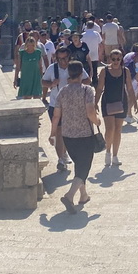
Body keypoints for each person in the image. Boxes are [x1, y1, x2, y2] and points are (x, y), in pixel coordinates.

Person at [50, 60, 102, 213]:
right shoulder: (87, 90)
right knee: (84, 167)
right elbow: (90, 112)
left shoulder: (63, 91)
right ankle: (69, 195)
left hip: (67, 136)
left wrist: (53, 133)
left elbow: (56, 115)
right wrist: (97, 120)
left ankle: (83, 195)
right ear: (81, 74)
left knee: (79, 165)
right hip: (84, 135)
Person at [43, 47, 89, 172]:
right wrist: (51, 84)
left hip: (72, 105)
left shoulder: (75, 67)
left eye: (65, 58)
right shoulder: (52, 68)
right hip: (55, 104)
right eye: (59, 59)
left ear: (69, 57)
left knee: (67, 132)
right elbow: (43, 82)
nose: (63, 61)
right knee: (59, 132)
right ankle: (61, 159)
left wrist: (75, 82)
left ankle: (65, 153)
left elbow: (87, 80)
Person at [97, 49, 137, 166]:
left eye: (118, 59)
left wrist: (134, 102)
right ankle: (108, 152)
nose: (116, 61)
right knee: (110, 129)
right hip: (107, 101)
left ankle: (115, 155)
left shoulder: (126, 71)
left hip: (121, 101)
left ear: (121, 59)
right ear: (110, 59)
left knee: (118, 130)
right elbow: (99, 88)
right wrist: (95, 103)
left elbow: (129, 88)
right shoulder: (104, 71)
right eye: (113, 59)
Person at [14, 35, 44, 100]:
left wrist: (42, 78)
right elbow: (18, 67)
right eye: (28, 45)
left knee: (37, 98)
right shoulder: (22, 53)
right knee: (27, 98)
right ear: (26, 45)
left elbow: (40, 66)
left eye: (32, 45)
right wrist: (15, 79)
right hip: (26, 78)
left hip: (36, 77)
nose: (30, 47)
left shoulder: (38, 52)